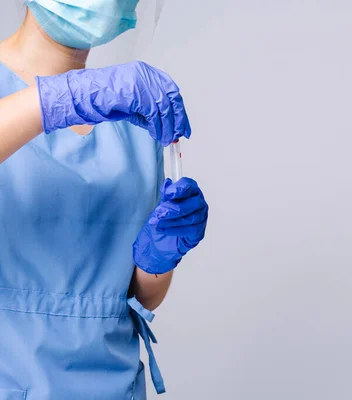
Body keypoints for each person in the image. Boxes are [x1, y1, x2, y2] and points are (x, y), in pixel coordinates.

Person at [0, 1, 208, 398]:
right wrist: (59, 99)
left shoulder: (132, 113)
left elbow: (129, 294)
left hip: (113, 381)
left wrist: (159, 259)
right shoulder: (112, 95)